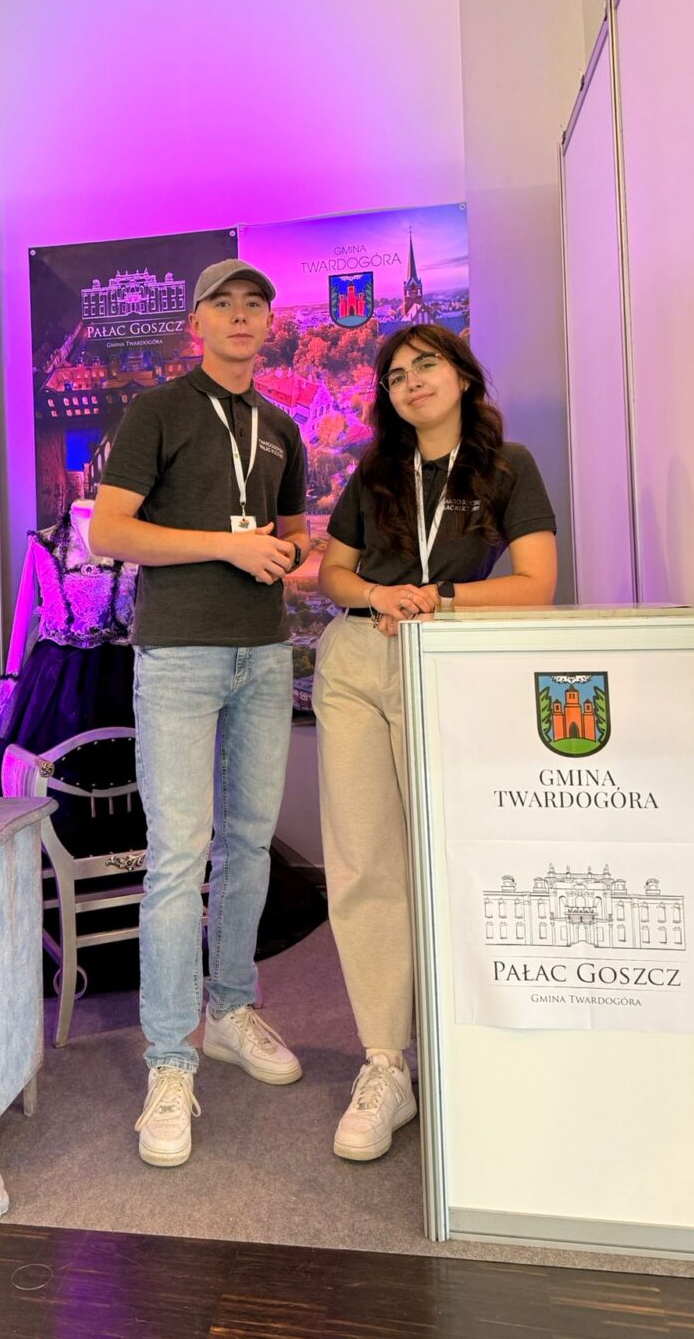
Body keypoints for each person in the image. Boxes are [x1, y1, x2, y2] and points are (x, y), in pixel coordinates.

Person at [314, 323, 556, 1162]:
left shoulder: (507, 466)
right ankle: (386, 1062)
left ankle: (469, 1041)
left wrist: (436, 598)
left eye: (426, 366)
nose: (411, 382)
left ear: (462, 377)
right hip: (357, 657)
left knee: (457, 855)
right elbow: (332, 574)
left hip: (448, 657)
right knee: (363, 861)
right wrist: (380, 595)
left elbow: (536, 584)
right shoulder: (374, 473)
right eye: (395, 375)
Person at [89, 258, 310, 1167]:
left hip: (264, 653)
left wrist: (294, 553)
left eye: (255, 304)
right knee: (179, 857)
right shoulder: (158, 410)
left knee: (249, 844)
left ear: (268, 323)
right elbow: (110, 531)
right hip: (179, 655)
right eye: (224, 303)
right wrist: (227, 546)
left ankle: (230, 1011)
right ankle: (169, 1061)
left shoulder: (281, 426)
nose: (242, 316)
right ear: (197, 322)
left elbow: (293, 533)